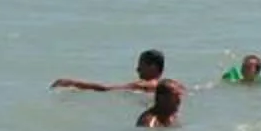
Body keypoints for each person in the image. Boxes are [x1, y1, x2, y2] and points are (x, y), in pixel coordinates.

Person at [53, 49, 185, 111]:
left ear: (153, 67)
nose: (137, 69)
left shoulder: (144, 85)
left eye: (141, 65)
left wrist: (72, 83)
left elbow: (106, 89)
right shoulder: (173, 85)